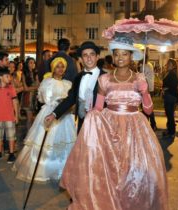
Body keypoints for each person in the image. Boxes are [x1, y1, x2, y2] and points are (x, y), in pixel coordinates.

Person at [60, 33, 168, 210]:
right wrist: (90, 119)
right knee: (110, 171)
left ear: (131, 56)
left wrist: (145, 92)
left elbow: (148, 110)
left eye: (124, 54)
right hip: (109, 130)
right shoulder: (105, 79)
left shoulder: (139, 79)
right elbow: (98, 109)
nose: (120, 58)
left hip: (135, 131)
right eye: (117, 54)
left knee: (134, 172)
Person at [13, 57, 76, 182]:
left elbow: (71, 100)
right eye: (58, 66)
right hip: (50, 112)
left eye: (62, 66)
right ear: (53, 68)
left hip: (65, 115)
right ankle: (44, 169)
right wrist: (56, 103)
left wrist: (66, 106)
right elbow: (44, 99)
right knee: (45, 140)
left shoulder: (68, 84)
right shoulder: (47, 82)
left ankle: (64, 169)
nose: (60, 69)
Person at [45, 41, 105, 132]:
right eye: (85, 55)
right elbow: (71, 98)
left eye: (92, 54)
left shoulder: (106, 78)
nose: (89, 58)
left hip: (101, 125)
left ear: (97, 57)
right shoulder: (78, 77)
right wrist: (54, 114)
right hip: (81, 124)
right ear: (80, 59)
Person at [0, 68, 19, 163]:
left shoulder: (11, 88)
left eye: (9, 76)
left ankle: (11, 153)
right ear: (0, 77)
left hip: (10, 117)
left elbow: (15, 102)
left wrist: (16, 115)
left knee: (11, 136)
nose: (9, 78)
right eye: (7, 76)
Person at [162, 58, 178, 139]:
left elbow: (173, 85)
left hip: (170, 96)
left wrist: (165, 88)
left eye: (169, 64)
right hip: (169, 96)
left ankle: (171, 132)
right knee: (169, 114)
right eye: (167, 64)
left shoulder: (172, 73)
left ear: (173, 66)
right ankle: (170, 130)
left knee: (170, 115)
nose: (167, 65)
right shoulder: (169, 72)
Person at [140, 54, 157, 130]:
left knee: (145, 106)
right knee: (148, 106)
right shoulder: (150, 65)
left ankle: (150, 124)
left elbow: (143, 79)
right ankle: (151, 124)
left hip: (146, 89)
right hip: (151, 88)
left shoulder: (143, 67)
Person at [21, 57, 39, 129]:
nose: (32, 64)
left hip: (35, 96)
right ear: (27, 64)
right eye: (30, 63)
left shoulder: (35, 73)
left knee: (33, 118)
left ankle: (31, 134)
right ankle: (28, 135)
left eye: (33, 62)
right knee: (29, 118)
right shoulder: (24, 74)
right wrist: (35, 87)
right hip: (28, 96)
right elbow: (25, 88)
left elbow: (39, 84)